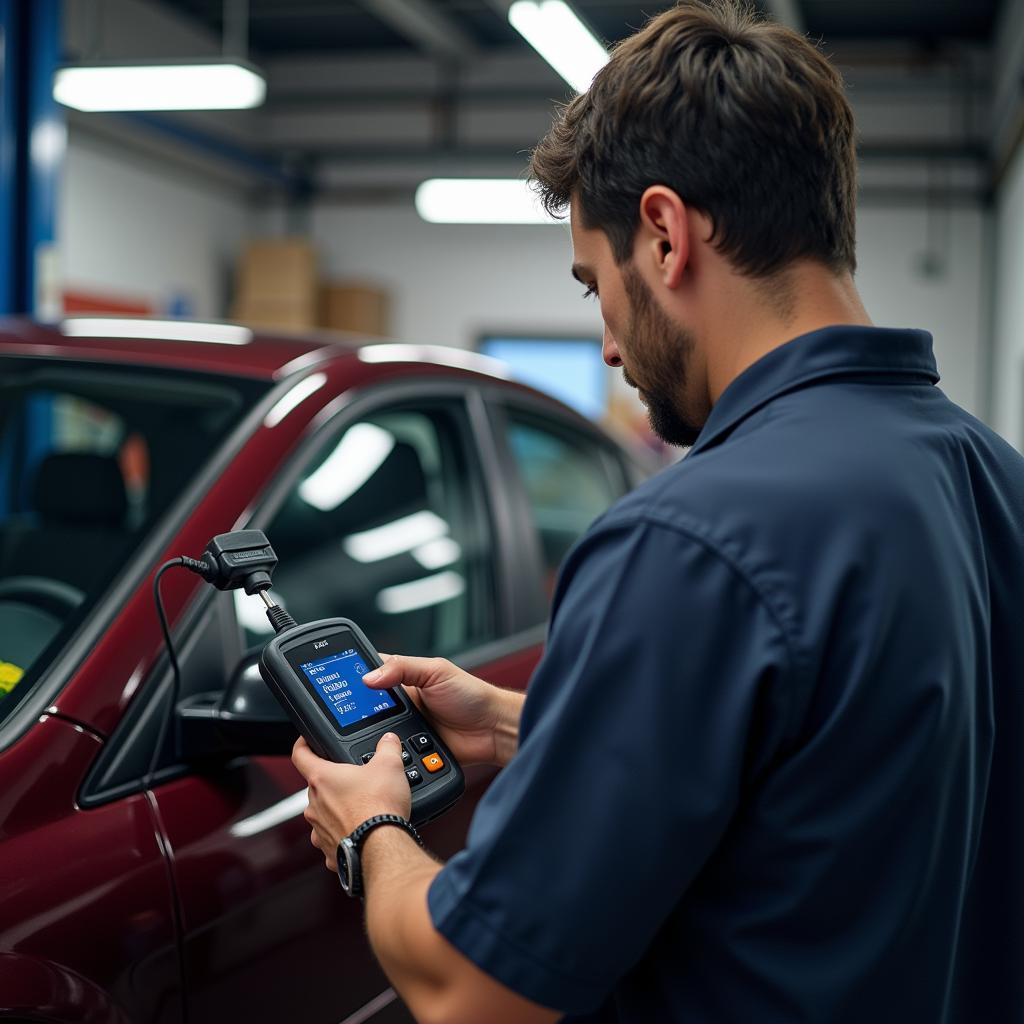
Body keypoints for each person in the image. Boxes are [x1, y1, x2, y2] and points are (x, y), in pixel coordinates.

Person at [290, 2, 1024, 1021]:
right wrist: (514, 724)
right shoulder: (990, 476)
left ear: (667, 235)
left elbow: (471, 989)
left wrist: (373, 829)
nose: (605, 345)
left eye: (596, 287)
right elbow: (837, 770)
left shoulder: (687, 541)